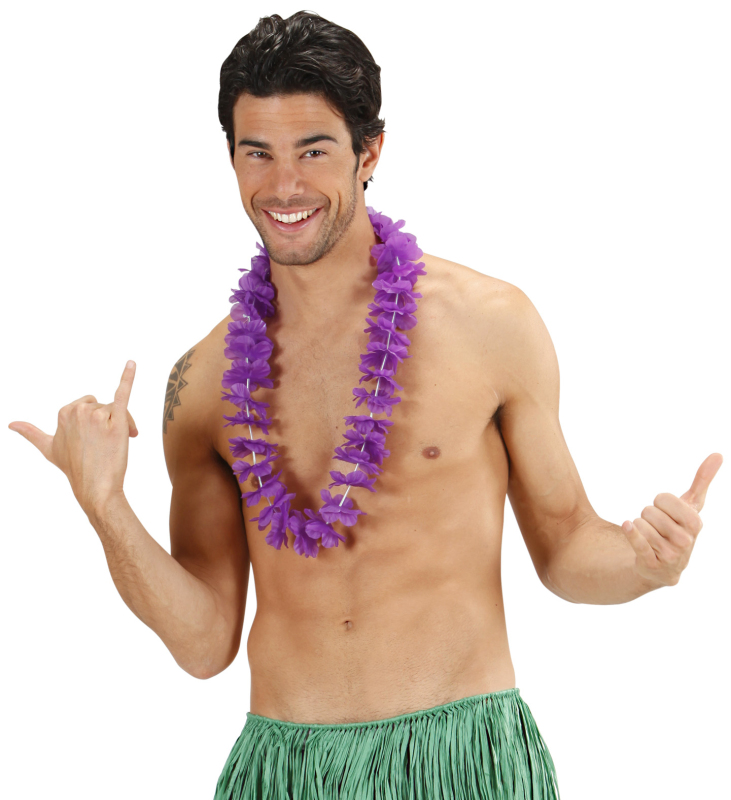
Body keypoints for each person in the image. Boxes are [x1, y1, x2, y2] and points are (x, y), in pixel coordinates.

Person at [8, 10, 722, 799]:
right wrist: (104, 504)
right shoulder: (202, 383)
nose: (284, 185)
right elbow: (204, 643)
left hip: (461, 761)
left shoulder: (489, 324)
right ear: (231, 157)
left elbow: (563, 548)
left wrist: (643, 564)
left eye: (313, 150)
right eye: (258, 153)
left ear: (369, 151)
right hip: (283, 770)